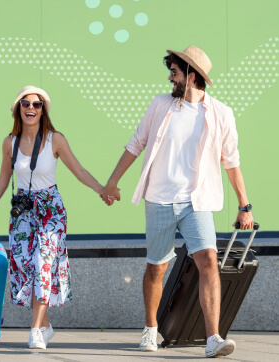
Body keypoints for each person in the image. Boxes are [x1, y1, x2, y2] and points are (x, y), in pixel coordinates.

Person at [100, 46, 254, 358]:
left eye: (175, 72)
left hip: (197, 201)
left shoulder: (221, 113)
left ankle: (213, 338)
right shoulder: (160, 105)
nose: (170, 78)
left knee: (209, 261)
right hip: (159, 199)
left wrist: (244, 205)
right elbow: (136, 144)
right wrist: (113, 181)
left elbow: (231, 161)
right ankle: (150, 328)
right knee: (157, 267)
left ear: (192, 75)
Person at [0, 85, 112, 349]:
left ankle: (35, 331)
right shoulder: (10, 142)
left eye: (36, 104)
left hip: (50, 209)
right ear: (18, 109)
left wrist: (101, 189)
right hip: (23, 212)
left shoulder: (55, 139)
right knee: (26, 269)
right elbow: (4, 179)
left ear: (43, 110)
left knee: (43, 265)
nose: (30, 108)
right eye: (25, 104)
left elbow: (78, 169)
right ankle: (46, 325)